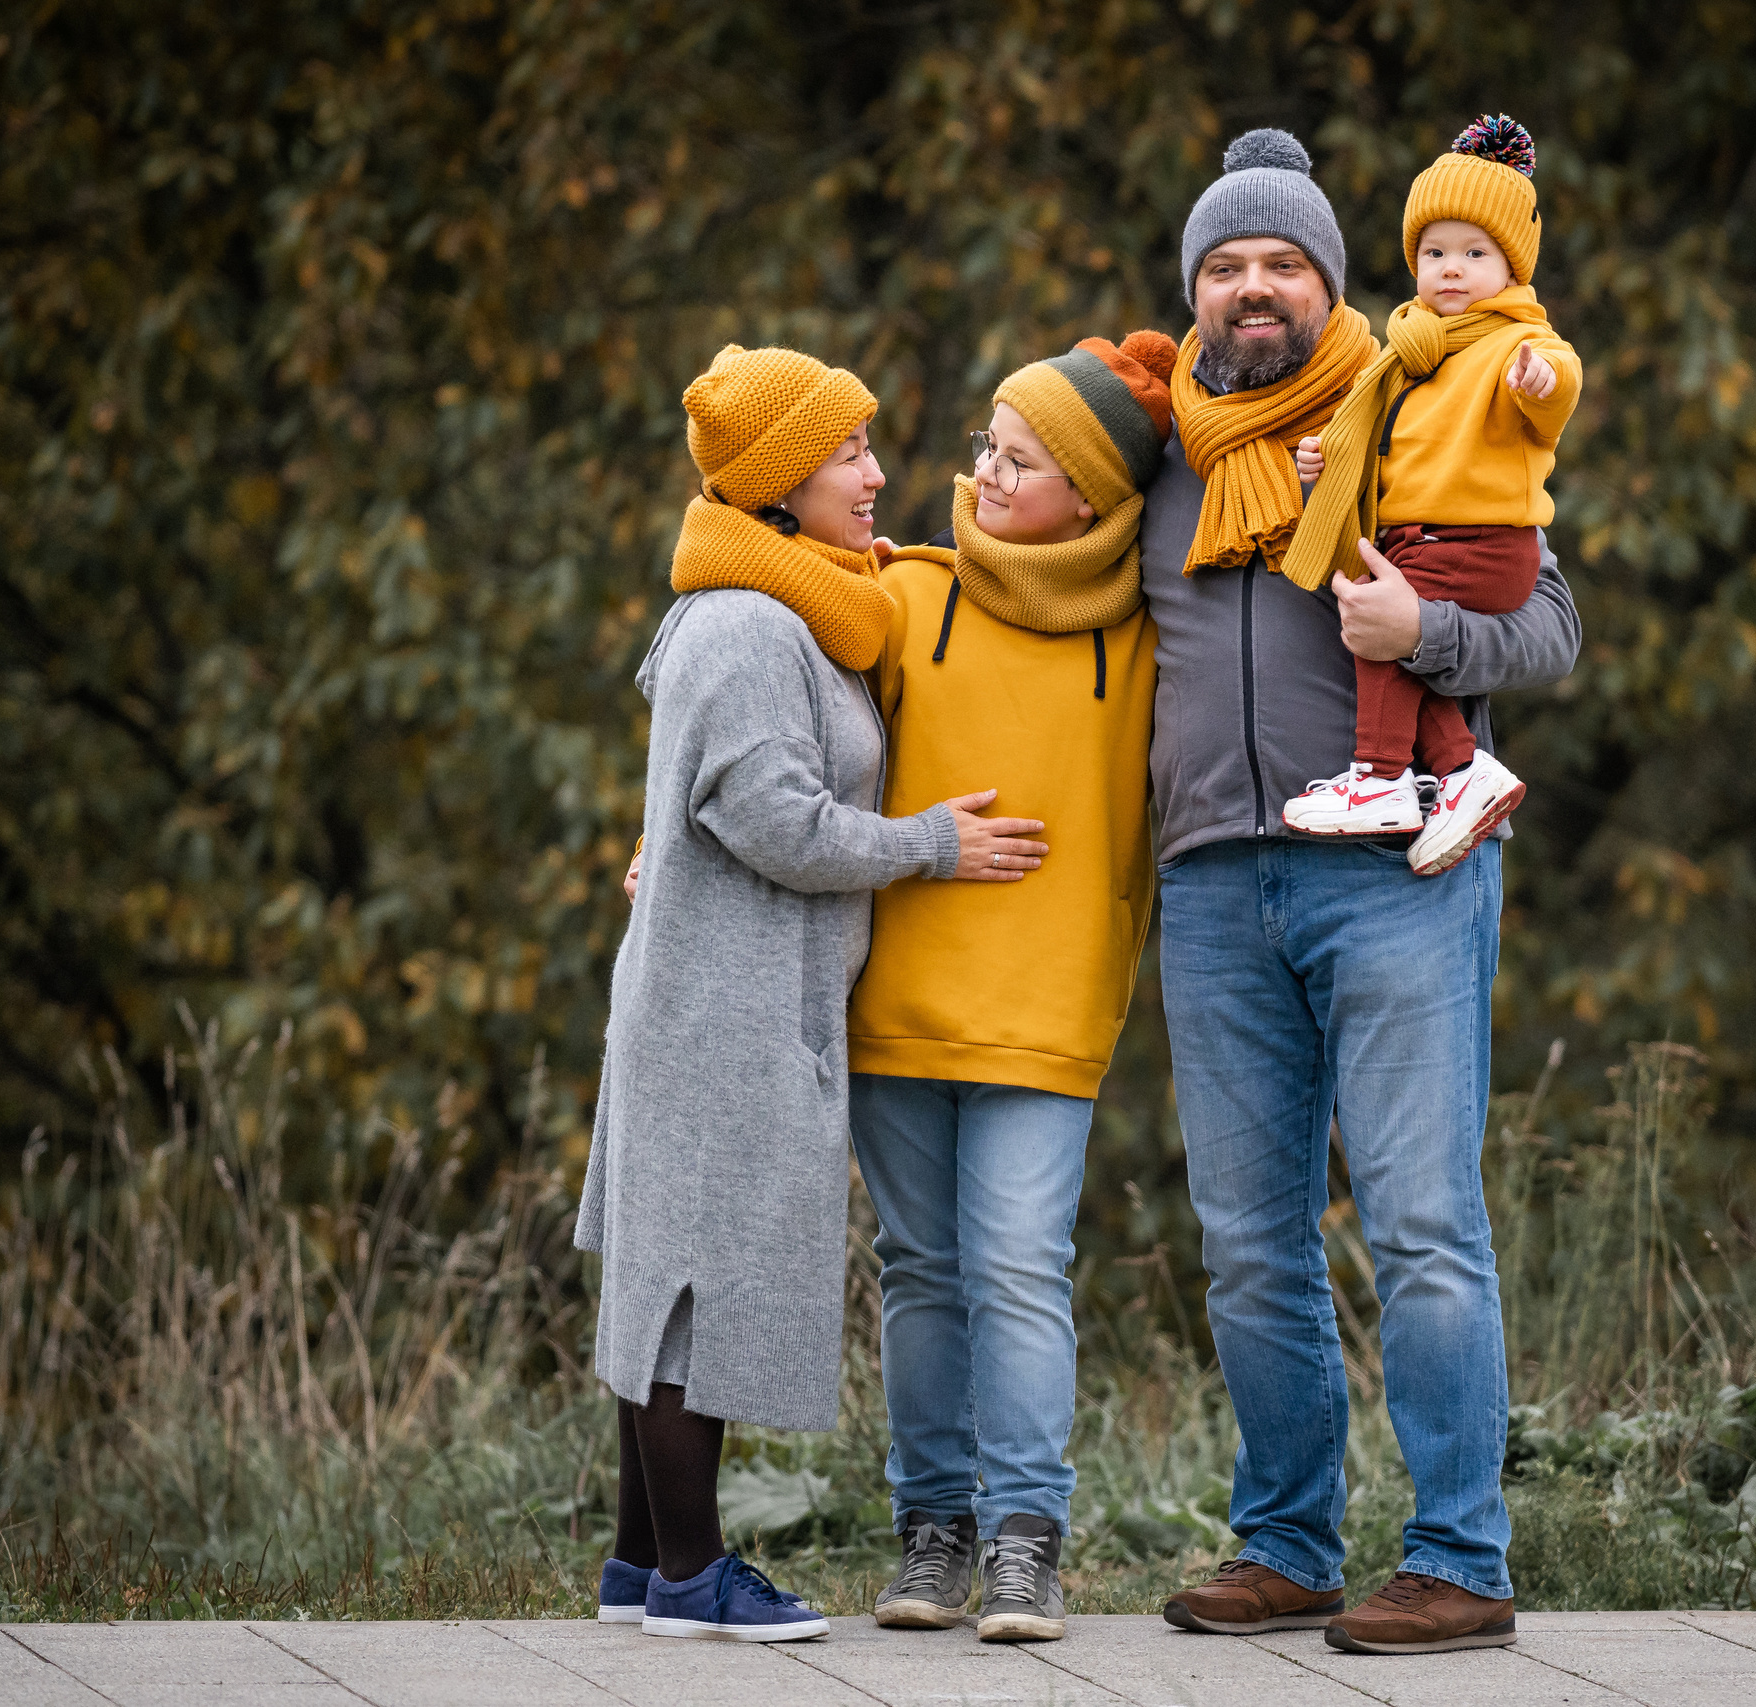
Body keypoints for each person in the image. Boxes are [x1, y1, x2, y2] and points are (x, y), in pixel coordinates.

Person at [1139, 130, 1581, 1656]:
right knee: (1251, 1237)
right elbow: (999, 576)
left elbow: (1551, 621)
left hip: (1398, 870)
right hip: (1208, 881)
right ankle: (1288, 1542)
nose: (1253, 288)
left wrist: (1422, 634)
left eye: (1284, 264)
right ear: (1194, 290)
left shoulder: (1417, 404)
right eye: (1225, 265)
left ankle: (1460, 1554)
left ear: (1334, 283)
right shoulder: (1160, 454)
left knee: (1419, 1221)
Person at [577, 343, 1048, 1642]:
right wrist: (928, 843)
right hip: (716, 1015)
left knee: (676, 1280)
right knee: (689, 1291)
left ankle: (638, 1566)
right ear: (783, 481)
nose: (877, 472)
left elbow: (713, 792)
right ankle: (691, 1576)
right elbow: (773, 817)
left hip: (744, 1003)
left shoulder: (789, 609)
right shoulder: (744, 620)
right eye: (849, 452)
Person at [847, 331, 1176, 1644]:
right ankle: (933, 1531)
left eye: (1020, 458)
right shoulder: (902, 594)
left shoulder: (1155, 629)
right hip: (900, 994)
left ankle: (1028, 1541)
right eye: (989, 443)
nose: (984, 471)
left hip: (1050, 1001)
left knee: (1018, 1266)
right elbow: (784, 728)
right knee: (920, 1268)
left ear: (1093, 499)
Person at [1283, 113, 1582, 876]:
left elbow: (1557, 382)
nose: (1452, 268)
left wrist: (1542, 385)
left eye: (1475, 253)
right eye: (1434, 252)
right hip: (1423, 533)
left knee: (1384, 627)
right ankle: (1464, 771)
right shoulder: (1409, 355)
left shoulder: (1516, 340)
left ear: (1512, 270)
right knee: (1390, 628)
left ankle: (1381, 778)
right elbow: (1389, 454)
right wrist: (1332, 467)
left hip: (1480, 542)